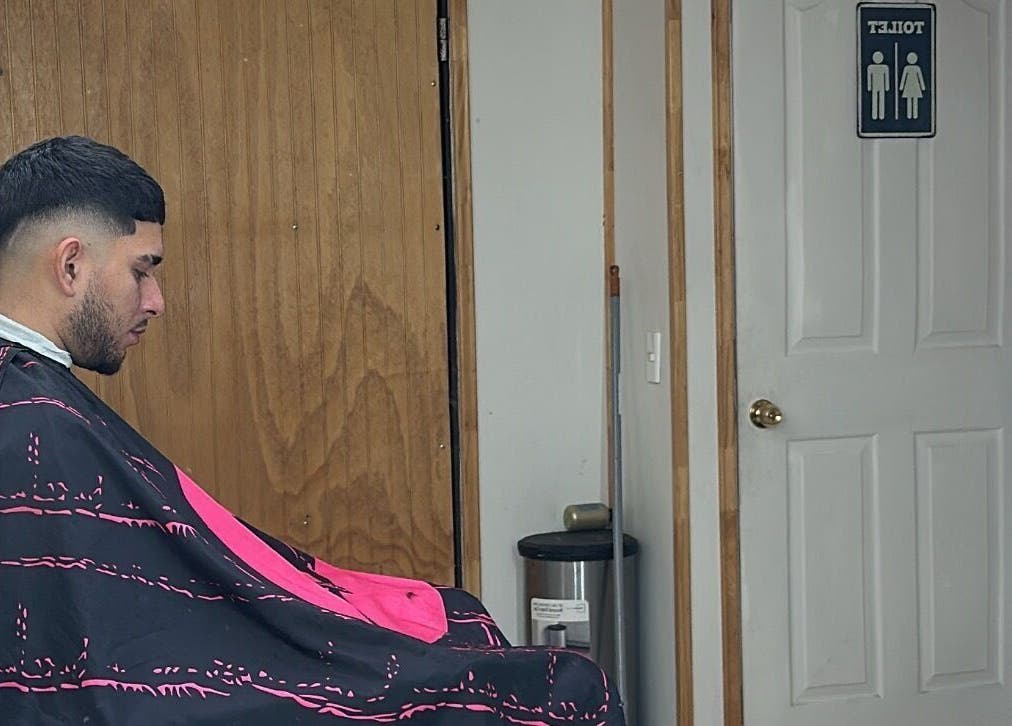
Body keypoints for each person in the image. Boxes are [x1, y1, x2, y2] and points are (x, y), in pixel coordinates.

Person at [0, 137, 623, 724]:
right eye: (143, 270)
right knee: (536, 687)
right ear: (72, 265)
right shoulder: (33, 421)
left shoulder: (35, 403)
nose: (156, 300)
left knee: (454, 624)